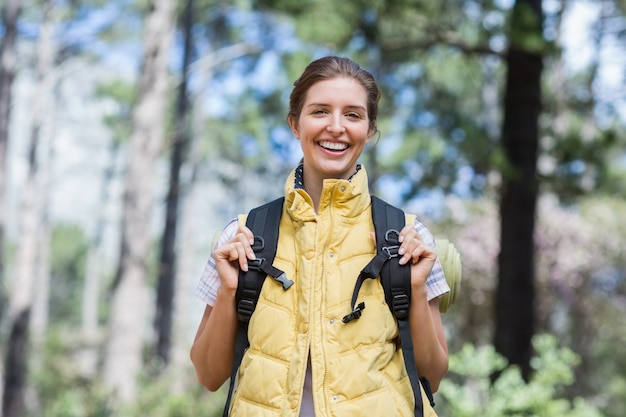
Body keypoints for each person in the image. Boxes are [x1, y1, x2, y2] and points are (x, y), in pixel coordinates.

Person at [190, 56, 449, 417]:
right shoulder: (243, 235)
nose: (336, 127)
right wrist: (228, 290)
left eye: (354, 115)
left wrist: (417, 290)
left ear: (370, 130)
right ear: (295, 124)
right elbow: (208, 374)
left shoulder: (407, 236)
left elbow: (432, 376)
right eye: (320, 111)